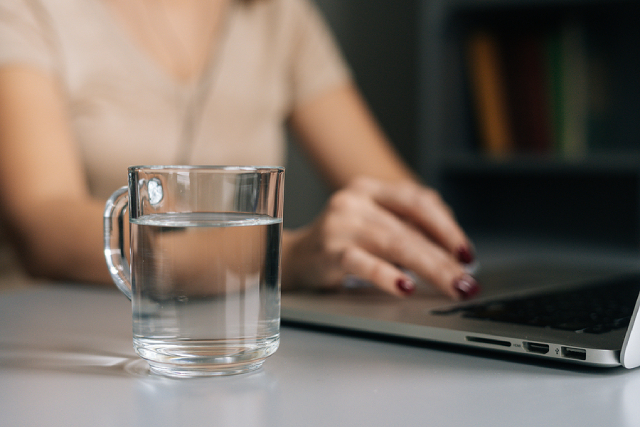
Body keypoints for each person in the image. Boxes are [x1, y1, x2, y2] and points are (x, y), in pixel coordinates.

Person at [0, 0, 480, 300]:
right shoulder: (31, 9)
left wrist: (412, 233)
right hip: (66, 339)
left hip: (236, 339)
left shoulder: (279, 15)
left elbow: (393, 194)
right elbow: (43, 226)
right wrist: (276, 256)